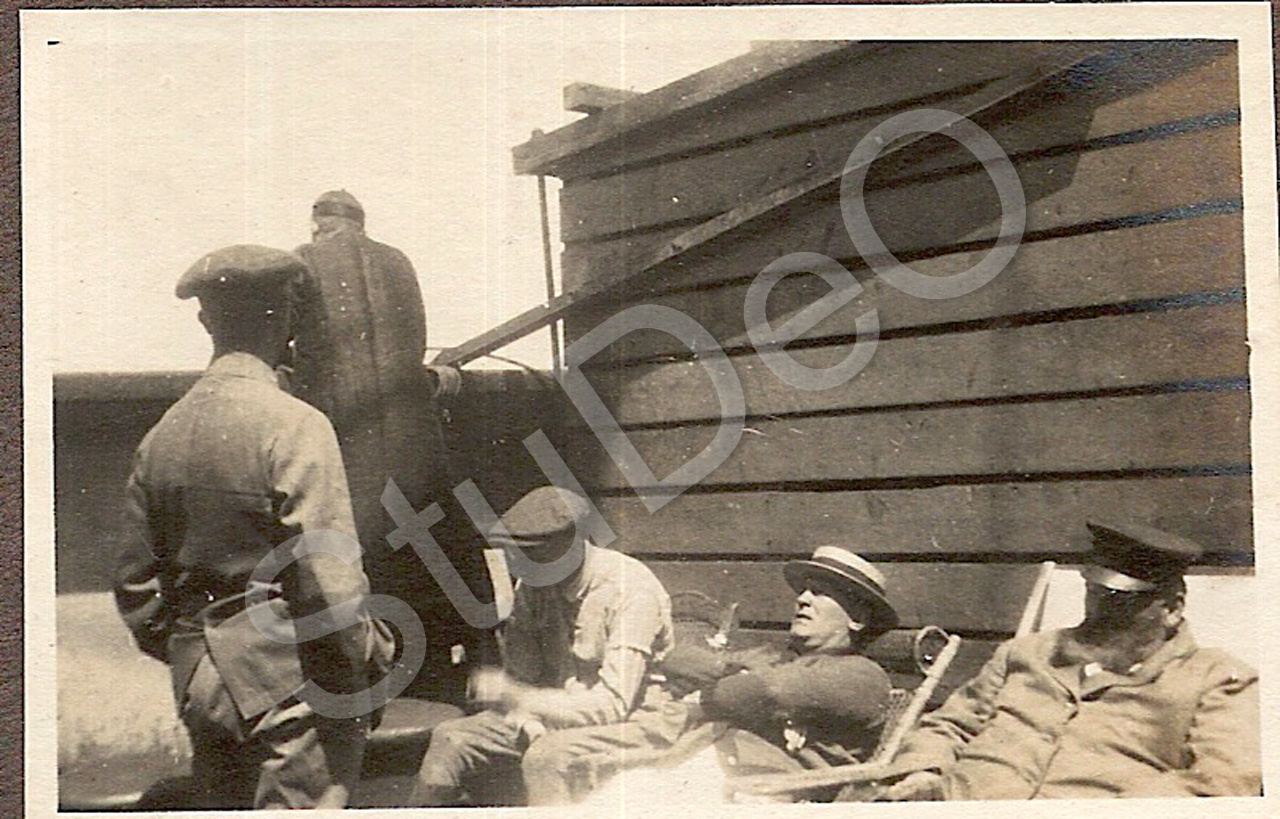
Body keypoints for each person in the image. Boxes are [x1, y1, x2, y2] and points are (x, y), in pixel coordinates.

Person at [113, 245, 395, 808]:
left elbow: (135, 587)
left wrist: (195, 658)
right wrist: (366, 663)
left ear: (205, 321)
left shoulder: (161, 436)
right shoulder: (294, 425)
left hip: (201, 683)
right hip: (289, 684)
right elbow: (329, 581)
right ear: (287, 319)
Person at [871, 520, 1260, 801]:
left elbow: (1222, 782)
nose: (1097, 613)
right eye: (1094, 592)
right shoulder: (1026, 652)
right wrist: (924, 771)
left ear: (1171, 609)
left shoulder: (1218, 679)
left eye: (1121, 602)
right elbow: (949, 725)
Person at [291, 190, 484, 704]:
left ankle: (375, 676)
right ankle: (459, 668)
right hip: (414, 441)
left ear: (318, 225)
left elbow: (299, 357)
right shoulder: (399, 261)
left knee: (359, 555)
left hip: (349, 441)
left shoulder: (303, 261)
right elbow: (414, 342)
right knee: (437, 544)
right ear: (360, 223)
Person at [411, 486, 677, 807]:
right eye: (513, 555)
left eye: (528, 556)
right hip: (555, 718)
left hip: (633, 724)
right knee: (451, 737)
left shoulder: (630, 589)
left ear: (568, 549)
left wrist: (518, 697)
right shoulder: (533, 585)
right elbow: (522, 677)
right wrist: (529, 721)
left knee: (546, 757)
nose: (515, 566)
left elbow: (612, 706)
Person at [654, 546, 896, 787]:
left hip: (768, 787)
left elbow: (769, 691)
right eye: (803, 591)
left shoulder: (862, 675)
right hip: (710, 765)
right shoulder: (777, 659)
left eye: (820, 592)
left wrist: (712, 692)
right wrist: (731, 671)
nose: (802, 599)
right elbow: (676, 659)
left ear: (858, 618)